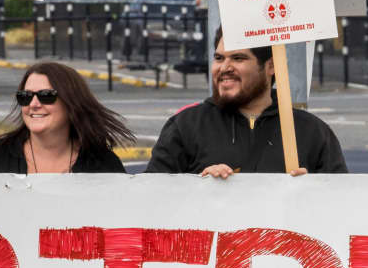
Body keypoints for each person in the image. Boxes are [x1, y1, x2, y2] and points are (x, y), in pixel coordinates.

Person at [146, 33, 346, 177]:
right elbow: (153, 201)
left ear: (271, 66)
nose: (224, 68)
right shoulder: (186, 126)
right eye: (219, 58)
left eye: (238, 58)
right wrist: (199, 187)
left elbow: (342, 207)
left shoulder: (312, 132)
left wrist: (313, 191)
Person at [0, 61, 132, 175]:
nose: (34, 104)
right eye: (26, 96)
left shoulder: (102, 164)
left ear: (71, 102)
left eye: (46, 96)